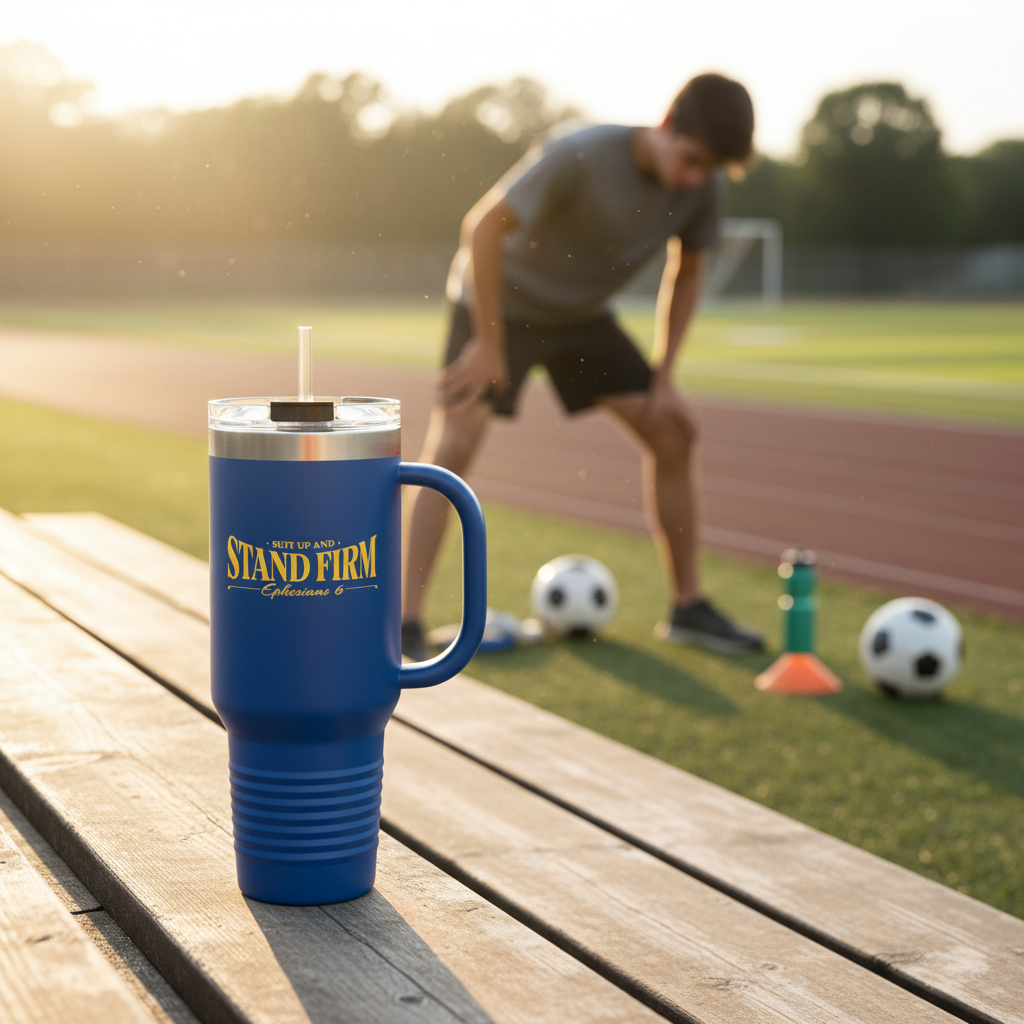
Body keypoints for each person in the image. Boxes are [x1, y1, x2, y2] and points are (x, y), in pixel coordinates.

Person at [401, 72, 765, 660]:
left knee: (673, 433)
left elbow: (688, 271)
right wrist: (489, 344)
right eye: (692, 160)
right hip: (498, 304)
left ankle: (688, 609)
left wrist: (664, 377)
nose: (696, 178)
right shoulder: (580, 153)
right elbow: (482, 229)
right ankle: (404, 624)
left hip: (580, 317)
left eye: (711, 170)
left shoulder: (700, 187)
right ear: (667, 124)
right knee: (458, 441)